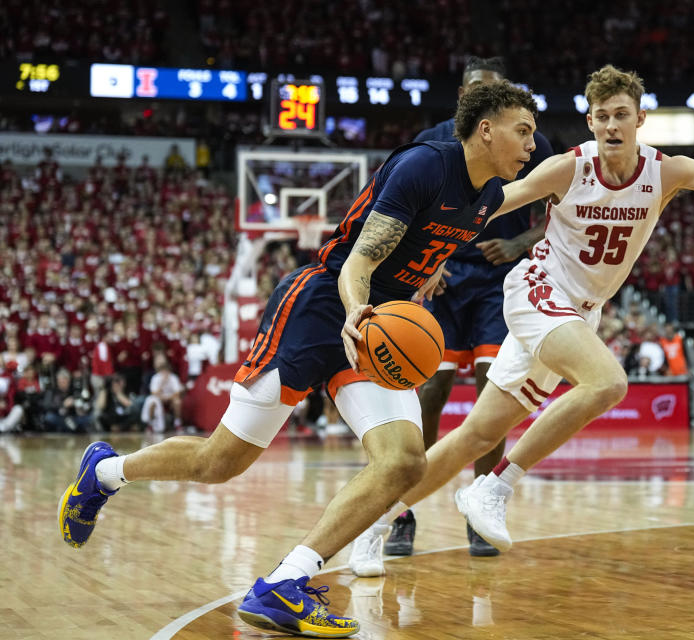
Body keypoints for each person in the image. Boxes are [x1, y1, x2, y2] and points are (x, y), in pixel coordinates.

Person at [57, 81, 540, 638]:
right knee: (221, 462)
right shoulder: (425, 166)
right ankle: (106, 472)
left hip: (380, 325)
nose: (532, 143)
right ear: (486, 129)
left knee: (405, 462)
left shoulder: (489, 194)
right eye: (522, 130)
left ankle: (285, 583)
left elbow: (536, 186)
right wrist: (359, 312)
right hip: (322, 306)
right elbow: (357, 264)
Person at [346, 65, 694, 571]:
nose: (612, 125)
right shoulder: (569, 167)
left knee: (476, 434)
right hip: (537, 291)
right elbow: (491, 206)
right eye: (603, 116)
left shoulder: (666, 171)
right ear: (590, 123)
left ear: (640, 120)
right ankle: (495, 486)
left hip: (579, 314)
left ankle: (377, 520)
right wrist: (431, 257)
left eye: (622, 116)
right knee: (609, 383)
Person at [382, 56, 555, 559]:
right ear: (463, 97)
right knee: (430, 389)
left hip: (499, 282)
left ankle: (479, 512)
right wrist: (426, 259)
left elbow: (562, 209)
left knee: (489, 393)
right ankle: (400, 514)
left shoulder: (533, 141)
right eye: (481, 90)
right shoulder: (432, 140)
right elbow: (405, 209)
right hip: (445, 277)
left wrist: (521, 239)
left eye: (500, 89)